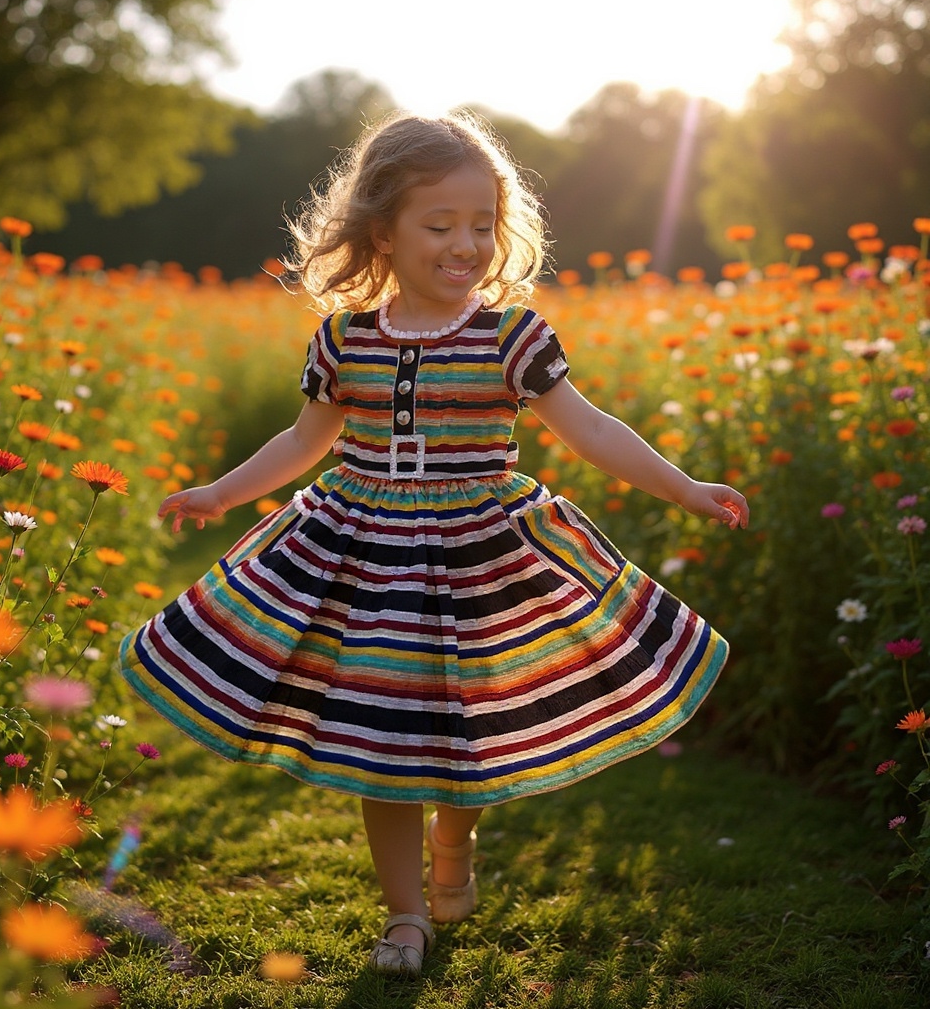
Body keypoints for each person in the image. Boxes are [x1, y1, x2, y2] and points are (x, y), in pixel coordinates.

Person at [118, 110, 749, 980]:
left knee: (465, 733)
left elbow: (591, 429)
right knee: (383, 737)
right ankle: (405, 914)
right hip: (363, 556)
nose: (466, 245)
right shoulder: (344, 341)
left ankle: (455, 843)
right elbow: (304, 441)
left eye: (482, 225)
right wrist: (223, 493)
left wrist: (685, 487)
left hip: (480, 555)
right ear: (383, 231)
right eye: (440, 225)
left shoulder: (514, 338)